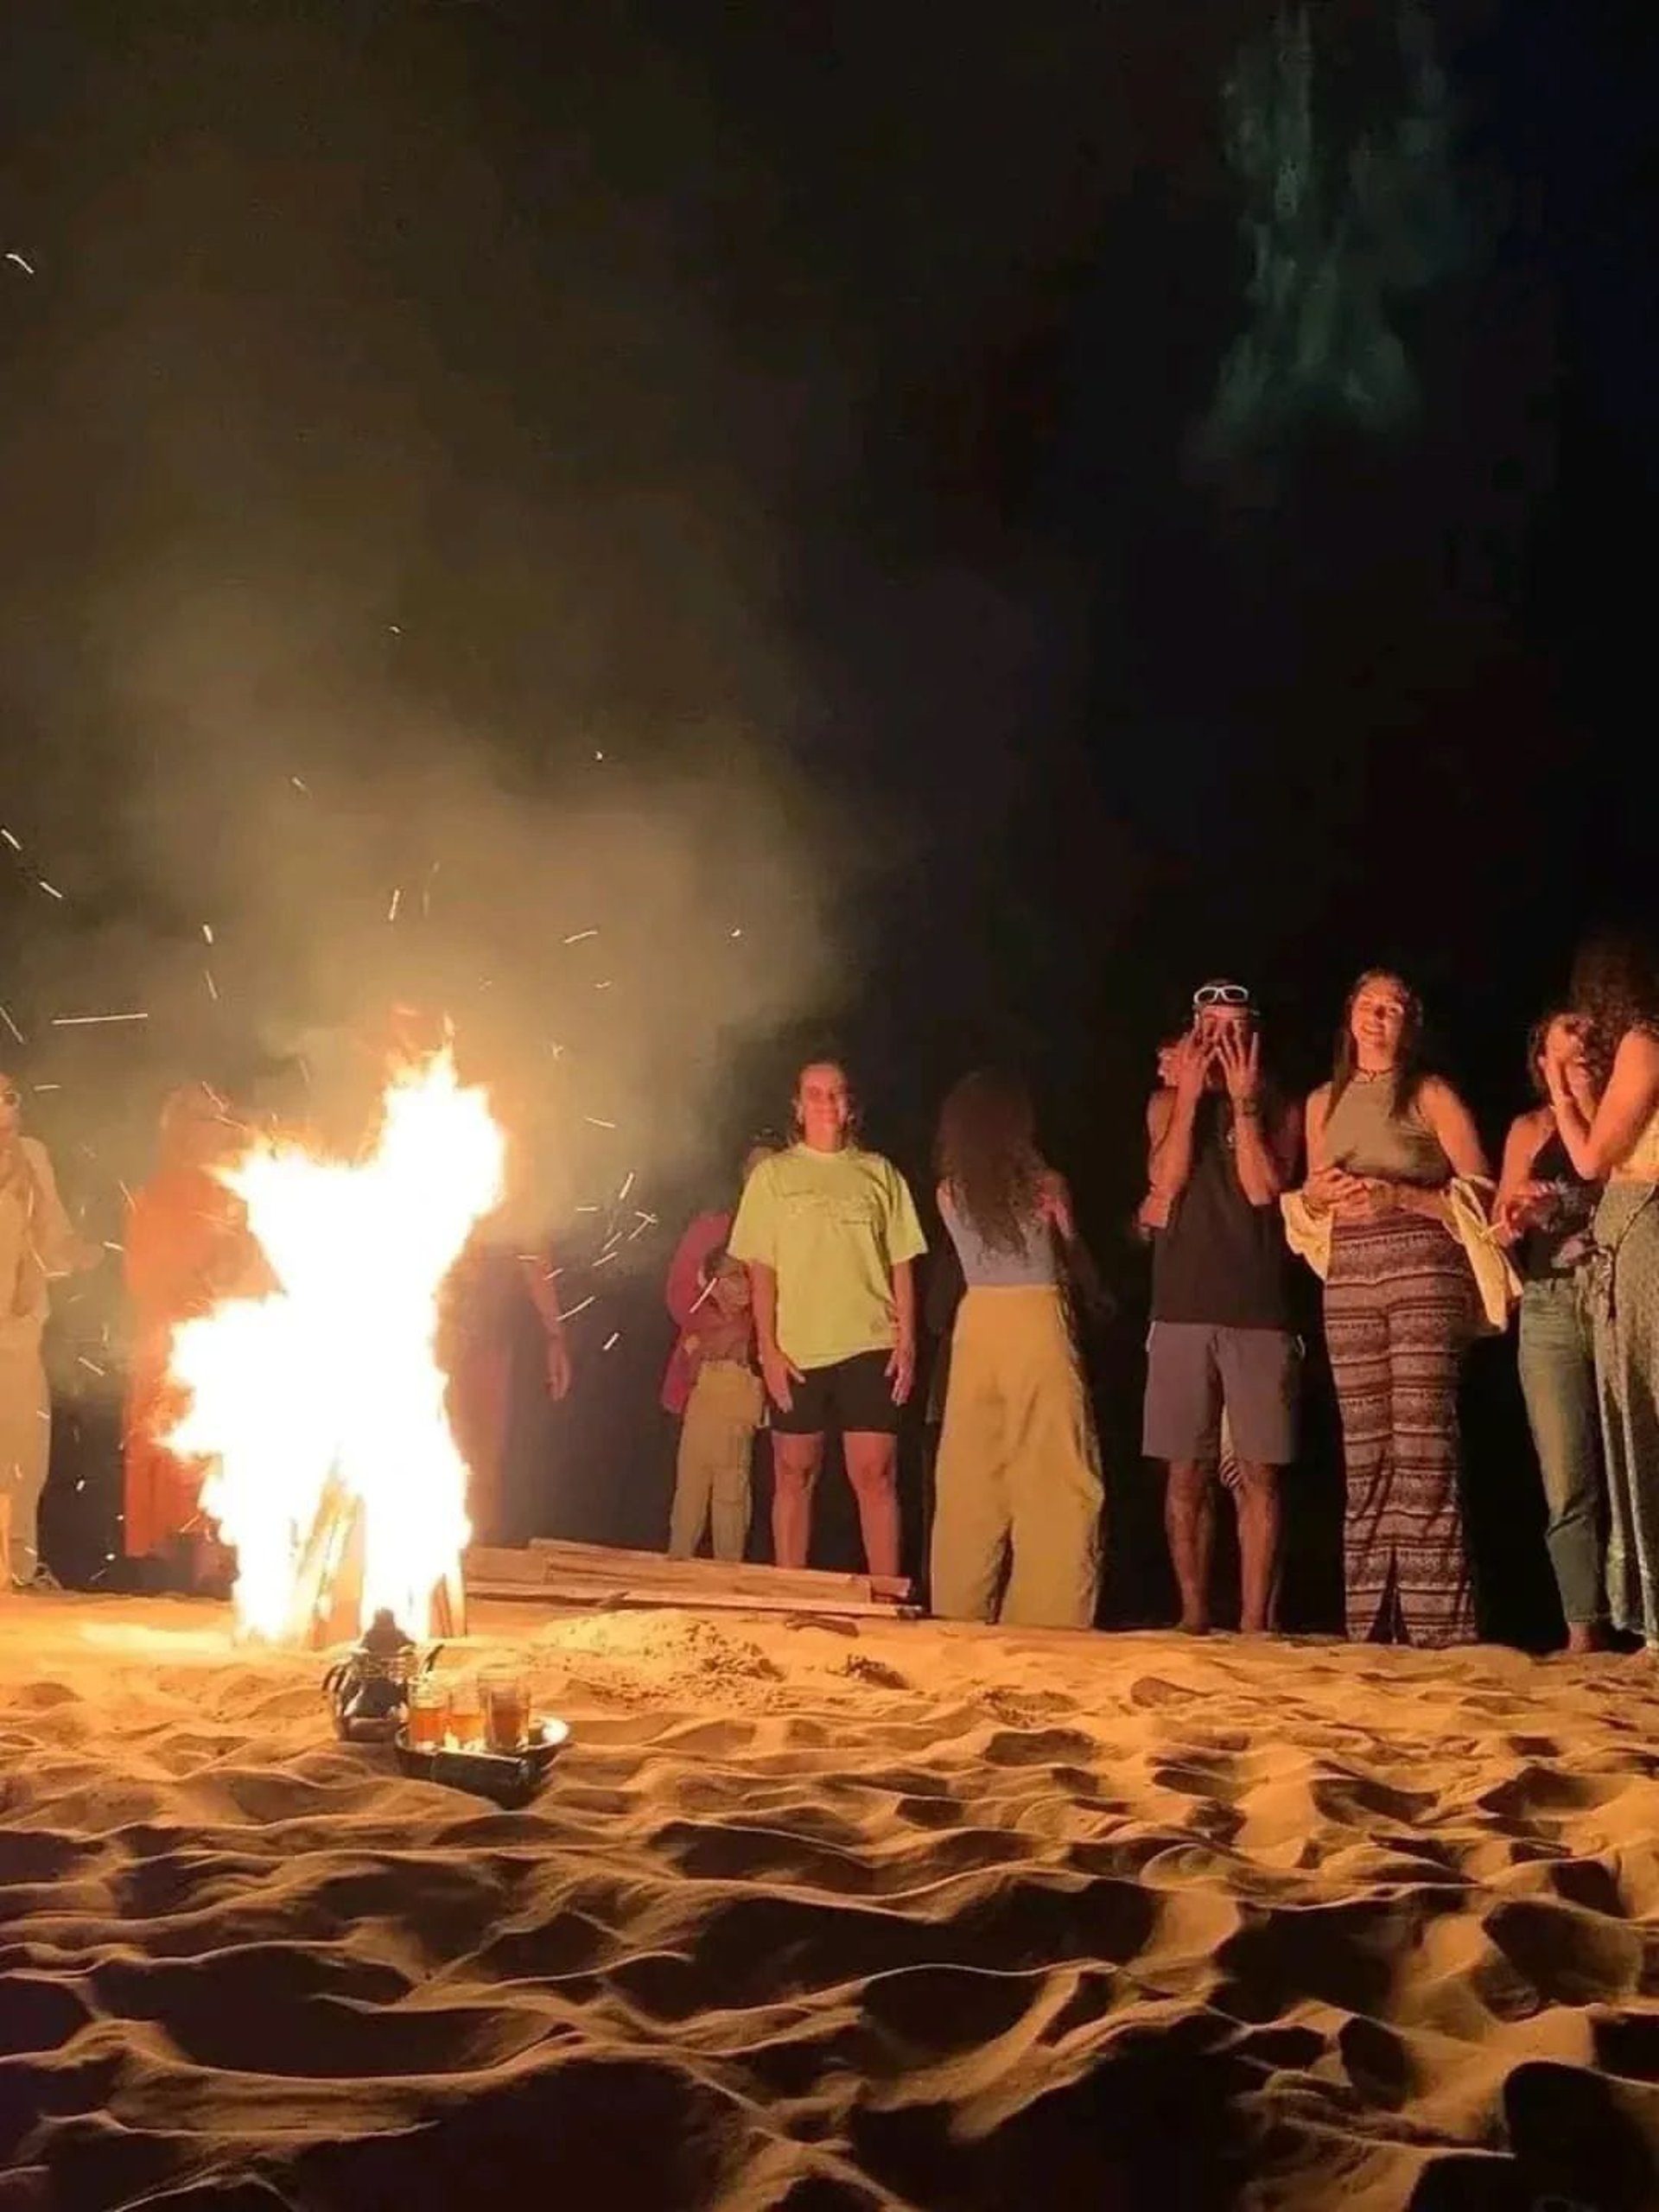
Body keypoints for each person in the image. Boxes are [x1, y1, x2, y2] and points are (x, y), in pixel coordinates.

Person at [1301, 970, 1491, 1647]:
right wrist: (1320, 1195)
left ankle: (1438, 1629)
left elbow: (1482, 1192)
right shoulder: (1322, 1101)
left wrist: (1403, 1196)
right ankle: (1371, 1626)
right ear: (1350, 1014)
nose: (1379, 1015)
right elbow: (1309, 1192)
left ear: (1410, 1025)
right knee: (1365, 1449)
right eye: (1369, 1003)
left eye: (1394, 1007)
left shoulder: (1430, 1093)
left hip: (1422, 1265)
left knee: (1422, 1443)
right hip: (1349, 1270)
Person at [1143, 982, 1301, 1634]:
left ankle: (1255, 1620)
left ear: (1254, 1036)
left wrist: (1243, 1105)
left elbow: (1264, 1191)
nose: (1221, 1042)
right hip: (1181, 1305)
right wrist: (1188, 1097)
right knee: (1187, 1470)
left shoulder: (1281, 1104)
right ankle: (1193, 1613)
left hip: (1258, 1308)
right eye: (1210, 1028)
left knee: (1259, 1471)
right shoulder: (1164, 1103)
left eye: (1234, 1029)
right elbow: (1165, 1180)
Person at [728, 1060, 925, 1578]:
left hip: (871, 1342)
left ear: (850, 1105)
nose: (825, 1103)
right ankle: (791, 1592)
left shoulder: (880, 1173)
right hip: (798, 1348)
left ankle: (884, 1595)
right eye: (814, 1094)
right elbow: (760, 1269)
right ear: (798, 1107)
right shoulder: (773, 1177)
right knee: (794, 1473)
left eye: (835, 1093)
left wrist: (907, 1342)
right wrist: (768, 1349)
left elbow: (902, 1261)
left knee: (875, 1474)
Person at [930, 1069, 1104, 1628]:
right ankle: (1050, 1618)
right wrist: (1068, 1229)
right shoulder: (1045, 1186)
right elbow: (1075, 1264)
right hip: (1036, 1320)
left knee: (970, 1479)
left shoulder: (950, 1192)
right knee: (1055, 1476)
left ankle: (959, 1610)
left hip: (977, 1325)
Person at [1543, 930, 1659, 1654]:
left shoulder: (1645, 1042)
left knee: (1645, 1416)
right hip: (1632, 1230)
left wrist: (1559, 1085)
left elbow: (1590, 1159)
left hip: (1645, 1233)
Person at [1492, 1014, 1607, 1653]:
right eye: (1564, 1048)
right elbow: (1499, 1225)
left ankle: (1644, 1622)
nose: (1578, 1052)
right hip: (1550, 1303)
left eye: (1588, 1044)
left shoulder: (1626, 1116)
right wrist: (1522, 1211)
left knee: (1636, 1462)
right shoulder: (1530, 1129)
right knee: (1567, 1475)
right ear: (1541, 1062)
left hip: (1619, 1296)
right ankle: (1582, 1628)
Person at [124, 1084, 266, 1589]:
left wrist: (234, 1283)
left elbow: (261, 1265)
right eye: (204, 1119)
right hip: (172, 1339)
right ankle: (166, 1569)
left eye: (220, 1119)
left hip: (230, 1333)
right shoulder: (155, 1197)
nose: (216, 1129)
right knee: (167, 1447)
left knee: (221, 1450)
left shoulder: (242, 1189)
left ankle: (215, 1563)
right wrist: (197, 1282)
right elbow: (144, 1274)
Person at [0, 1075, 99, 1586]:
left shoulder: (33, 1158)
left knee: (24, 1454)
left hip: (19, 1331)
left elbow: (50, 1238)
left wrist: (73, 1255)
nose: (5, 1107)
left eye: (10, 1096)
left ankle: (15, 1570)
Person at [661, 1139, 779, 1433]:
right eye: (754, 1170)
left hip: (772, 1391)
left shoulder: (795, 1237)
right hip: (707, 1380)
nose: (761, 1180)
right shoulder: (712, 1228)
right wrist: (720, 1324)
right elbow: (679, 1296)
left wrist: (750, 1336)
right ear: (743, 1174)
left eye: (771, 1170)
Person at [666, 1245, 765, 1560]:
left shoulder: (757, 1323)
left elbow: (740, 1348)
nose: (745, 1283)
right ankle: (677, 1566)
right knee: (689, 1498)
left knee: (731, 1503)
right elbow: (691, 1364)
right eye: (734, 1276)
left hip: (735, 1422)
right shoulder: (700, 1321)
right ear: (713, 1284)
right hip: (701, 1417)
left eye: (746, 1275)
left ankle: (728, 1573)